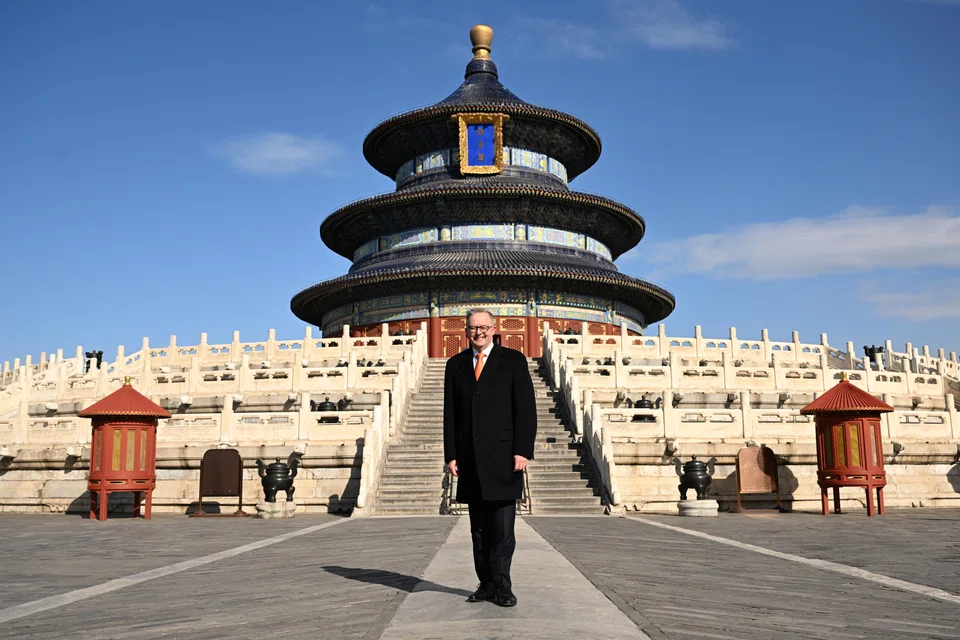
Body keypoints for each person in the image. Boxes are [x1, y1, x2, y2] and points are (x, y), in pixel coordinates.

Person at [443, 308, 537, 607]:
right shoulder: (455, 364)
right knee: (479, 530)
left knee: (503, 530)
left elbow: (525, 408)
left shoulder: (513, 360)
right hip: (470, 458)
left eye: (484, 327)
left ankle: (503, 586)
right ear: (466, 331)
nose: (479, 332)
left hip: (504, 458)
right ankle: (485, 584)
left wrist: (522, 450)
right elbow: (450, 414)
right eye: (473, 327)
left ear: (494, 329)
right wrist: (451, 455)